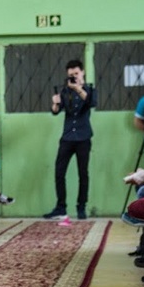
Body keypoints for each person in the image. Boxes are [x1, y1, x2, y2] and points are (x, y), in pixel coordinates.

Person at [43, 60, 96, 221]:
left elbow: (91, 102)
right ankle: (61, 207)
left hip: (83, 137)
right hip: (67, 137)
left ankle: (81, 207)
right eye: (71, 75)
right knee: (59, 172)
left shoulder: (89, 89)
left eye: (76, 74)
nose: (74, 77)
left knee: (83, 173)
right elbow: (56, 111)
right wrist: (55, 103)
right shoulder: (65, 91)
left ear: (83, 72)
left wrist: (78, 88)